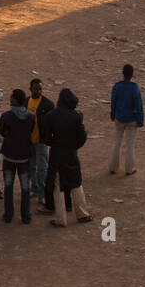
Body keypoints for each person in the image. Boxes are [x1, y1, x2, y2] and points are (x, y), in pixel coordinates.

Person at [43, 88, 91, 227]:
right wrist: (73, 146)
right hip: (71, 154)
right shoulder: (76, 116)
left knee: (58, 187)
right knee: (76, 183)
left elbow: (46, 138)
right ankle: (82, 214)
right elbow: (81, 137)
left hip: (57, 155)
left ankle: (61, 219)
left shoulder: (50, 116)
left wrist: (55, 143)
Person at [0, 88, 36, 224]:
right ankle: (25, 216)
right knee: (25, 187)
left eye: (11, 97)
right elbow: (31, 131)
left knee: (8, 186)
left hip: (9, 156)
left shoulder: (6, 117)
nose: (10, 99)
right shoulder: (31, 117)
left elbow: (3, 132)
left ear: (15, 100)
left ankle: (9, 215)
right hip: (25, 156)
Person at [109, 64, 143, 175]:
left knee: (116, 143)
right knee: (130, 145)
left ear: (122, 73)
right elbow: (138, 105)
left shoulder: (117, 86)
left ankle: (113, 167)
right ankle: (129, 168)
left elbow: (113, 102)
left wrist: (113, 115)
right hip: (131, 119)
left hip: (119, 117)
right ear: (132, 75)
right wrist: (140, 120)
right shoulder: (134, 88)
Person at [27, 77, 54, 205]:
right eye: (35, 89)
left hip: (42, 141)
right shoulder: (26, 102)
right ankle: (35, 188)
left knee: (42, 168)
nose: (38, 91)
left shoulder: (48, 105)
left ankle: (42, 194)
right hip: (29, 141)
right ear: (30, 89)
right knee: (31, 167)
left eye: (40, 89)